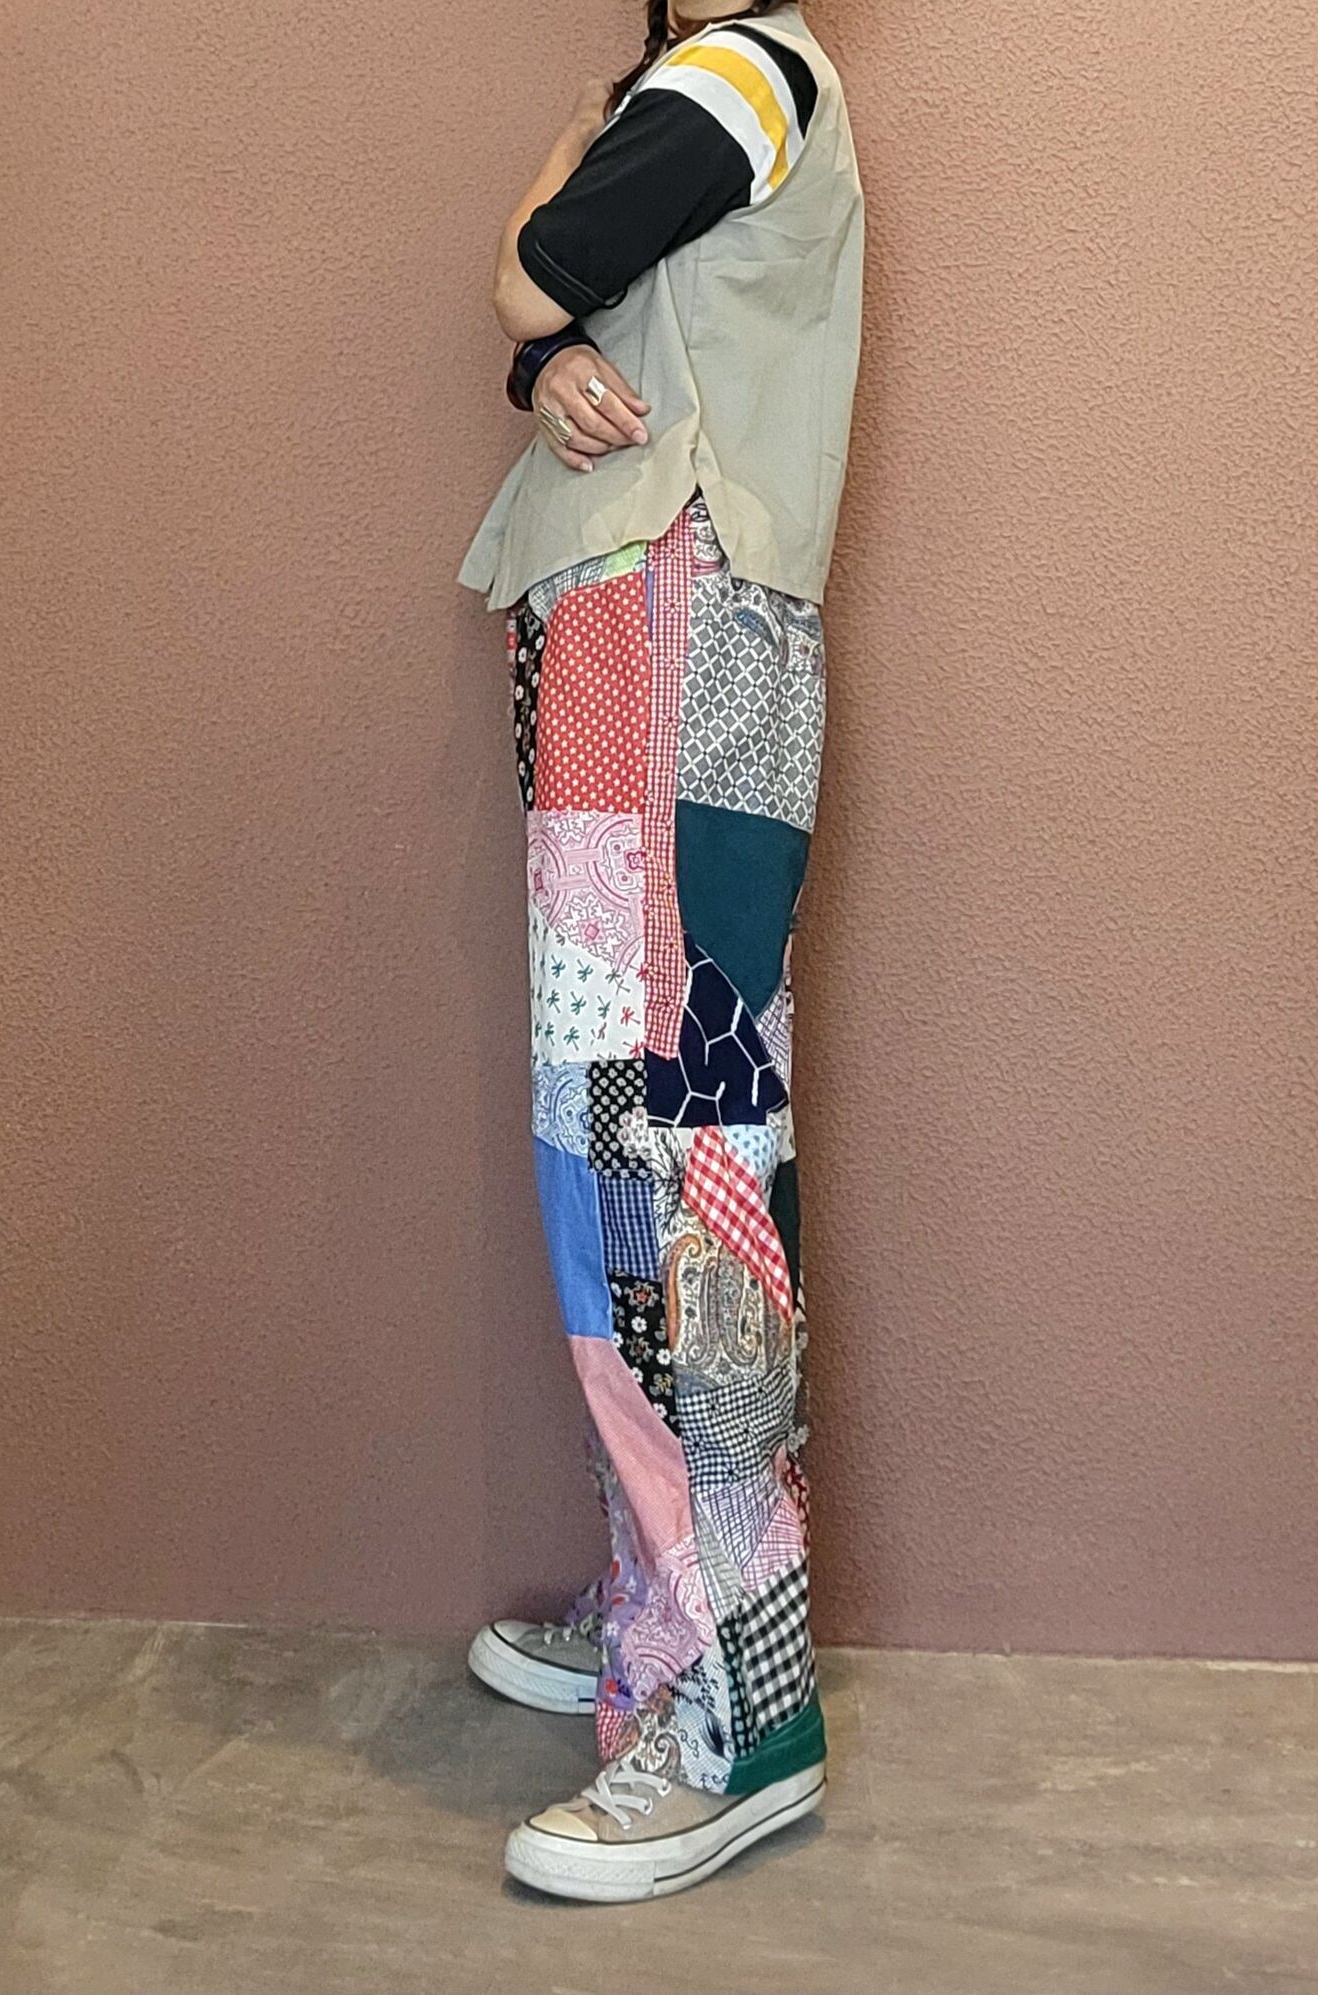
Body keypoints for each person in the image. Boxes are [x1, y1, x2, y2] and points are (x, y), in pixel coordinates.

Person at [457, 0, 863, 1903]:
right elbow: (575, 329)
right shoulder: (709, 101)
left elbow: (535, 268)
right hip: (646, 644)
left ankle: (731, 1703)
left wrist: (541, 239)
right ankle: (658, 1606)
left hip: (678, 650)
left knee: (676, 1155)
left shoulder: (734, 73)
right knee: (617, 1153)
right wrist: (551, 368)